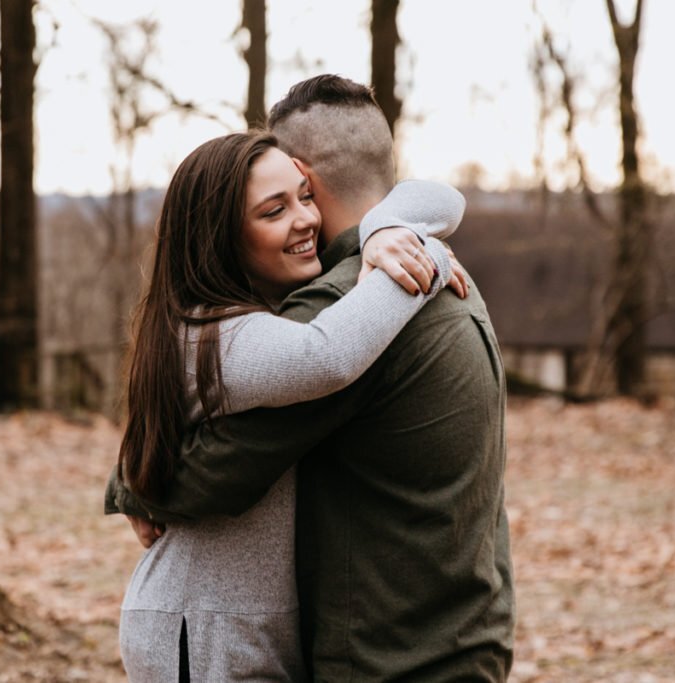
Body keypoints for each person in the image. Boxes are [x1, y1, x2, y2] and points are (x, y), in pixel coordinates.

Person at [109, 74, 516, 681]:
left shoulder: (362, 294)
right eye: (272, 208)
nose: (296, 219)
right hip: (463, 632)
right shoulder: (438, 271)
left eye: (297, 197)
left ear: (304, 174)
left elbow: (214, 470)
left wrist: (134, 485)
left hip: (390, 657)